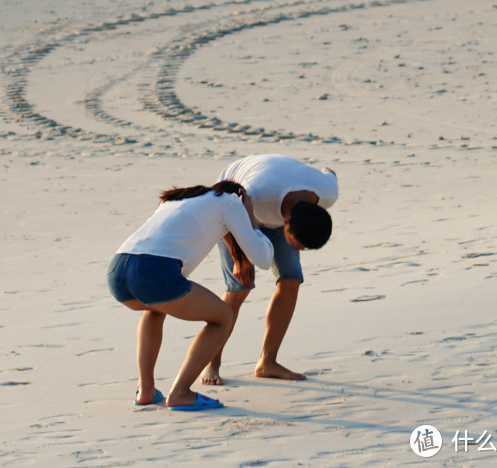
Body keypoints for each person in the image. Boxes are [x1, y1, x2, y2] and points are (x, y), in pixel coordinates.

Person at [108, 180, 274, 411]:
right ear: (239, 195)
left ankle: (146, 390)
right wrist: (250, 215)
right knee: (223, 317)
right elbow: (263, 259)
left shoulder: (177, 199)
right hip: (152, 271)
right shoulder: (230, 202)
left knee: (154, 309)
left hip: (117, 272)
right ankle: (181, 392)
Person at [200, 154, 338, 386]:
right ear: (286, 223)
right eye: (297, 244)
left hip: (274, 201)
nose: (299, 250)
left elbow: (329, 170)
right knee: (240, 285)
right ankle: (211, 363)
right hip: (233, 204)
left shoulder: (327, 192)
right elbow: (218, 206)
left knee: (292, 278)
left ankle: (267, 362)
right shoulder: (257, 192)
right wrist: (238, 258)